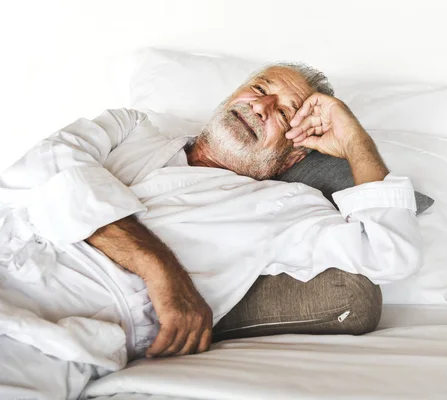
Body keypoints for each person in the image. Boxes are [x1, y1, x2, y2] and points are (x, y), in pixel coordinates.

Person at [0, 63, 422, 398]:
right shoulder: (130, 126)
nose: (261, 106)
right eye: (259, 89)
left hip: (50, 328)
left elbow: (390, 253)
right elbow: (43, 163)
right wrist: (157, 267)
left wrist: (353, 141)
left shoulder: (285, 207)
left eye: (284, 112)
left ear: (294, 156)